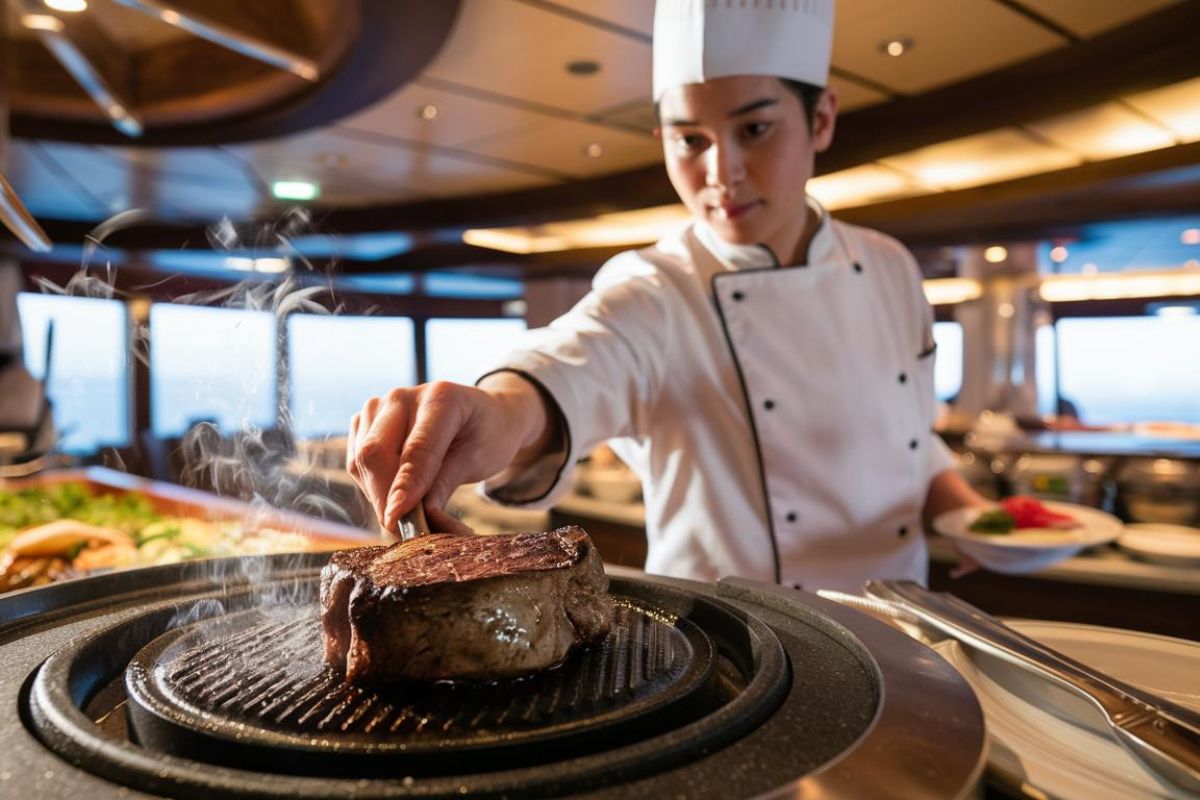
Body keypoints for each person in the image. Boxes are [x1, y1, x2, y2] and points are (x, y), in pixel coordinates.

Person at [347, 0, 987, 593]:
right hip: (750, 652)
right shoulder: (655, 288)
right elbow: (576, 365)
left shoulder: (890, 266)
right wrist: (501, 412)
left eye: (756, 129)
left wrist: (959, 505)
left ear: (820, 120)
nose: (721, 172)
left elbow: (902, 431)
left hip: (904, 620)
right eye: (690, 140)